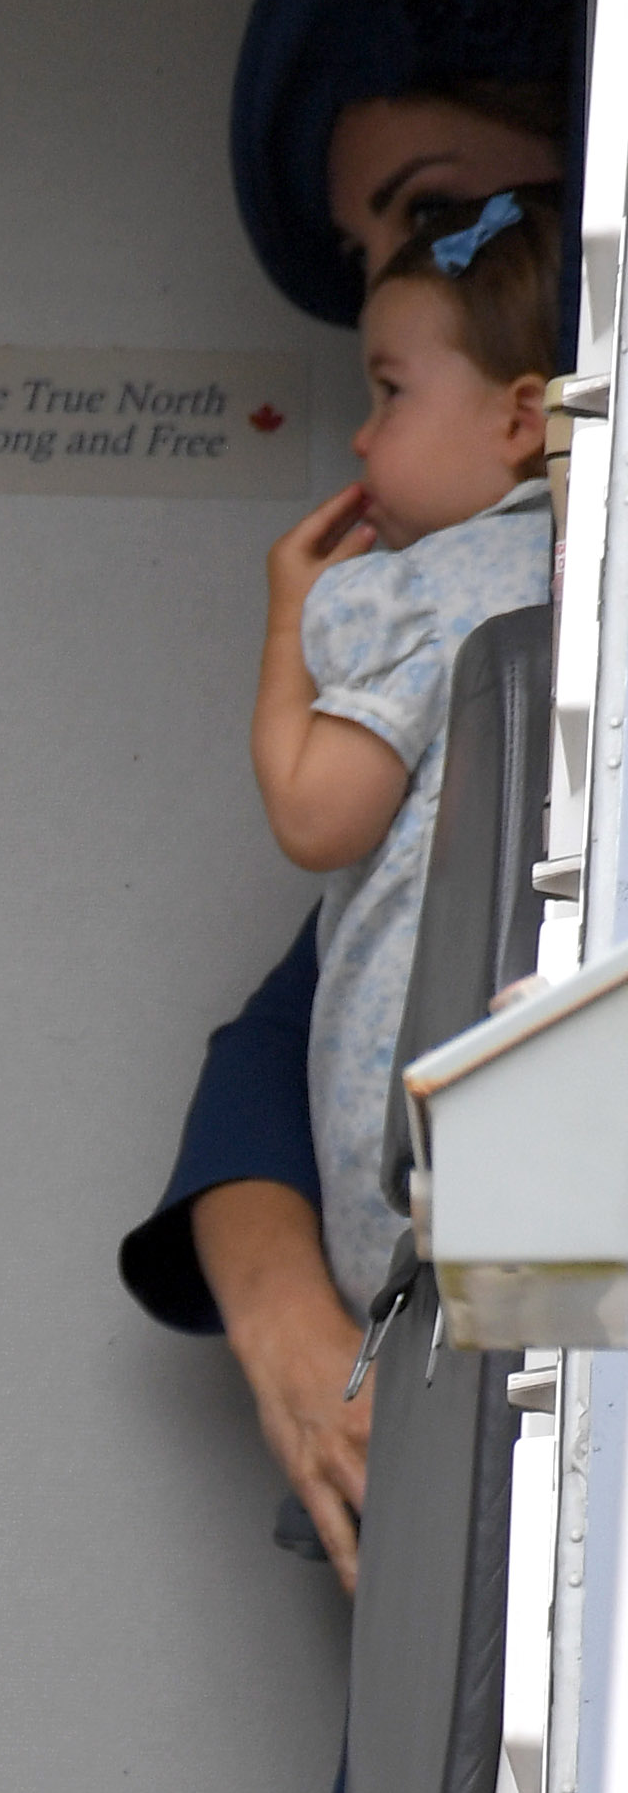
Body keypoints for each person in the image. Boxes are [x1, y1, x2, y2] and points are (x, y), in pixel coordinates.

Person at [121, 0, 577, 1591]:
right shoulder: (467, 607)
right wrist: (286, 1308)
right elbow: (314, 998)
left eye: (443, 210)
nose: (409, 284)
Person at [251, 191, 557, 1315]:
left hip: (415, 1117)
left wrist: (291, 614)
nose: (362, 435)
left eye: (389, 391)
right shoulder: (579, 584)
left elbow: (314, 811)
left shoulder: (422, 596)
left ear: (521, 418)